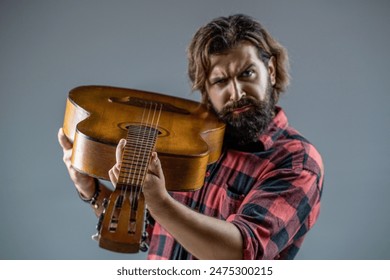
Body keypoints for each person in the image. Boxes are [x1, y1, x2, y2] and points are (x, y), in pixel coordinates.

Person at [58, 14, 324, 260]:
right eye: (220, 81)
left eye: (247, 74)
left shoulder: (296, 160)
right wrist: (90, 189)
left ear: (272, 71)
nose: (237, 92)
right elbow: (156, 230)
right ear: (206, 91)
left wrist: (160, 202)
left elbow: (241, 253)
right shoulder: (192, 146)